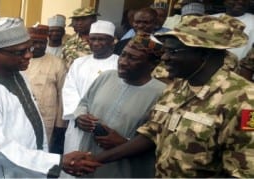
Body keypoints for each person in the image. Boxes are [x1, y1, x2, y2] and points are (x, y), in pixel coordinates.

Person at [94, 15, 254, 177]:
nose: (164, 58)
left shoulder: (244, 100)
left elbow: (244, 172)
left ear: (204, 54)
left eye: (173, 51)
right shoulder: (177, 87)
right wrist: (95, 160)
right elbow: (152, 132)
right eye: (165, 51)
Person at [0, 15, 101, 178]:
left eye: (29, 48)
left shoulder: (17, 73)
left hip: (22, 168)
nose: (28, 55)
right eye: (20, 52)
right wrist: (56, 162)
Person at [74, 32, 166, 178]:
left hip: (125, 169)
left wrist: (124, 142)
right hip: (88, 160)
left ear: (152, 64)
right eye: (123, 55)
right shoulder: (106, 76)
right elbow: (84, 102)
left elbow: (157, 139)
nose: (123, 62)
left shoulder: (162, 93)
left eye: (133, 58)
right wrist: (80, 117)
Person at [61, 20, 118, 178]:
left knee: (99, 167)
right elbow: (69, 89)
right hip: (79, 124)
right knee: (73, 164)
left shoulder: (119, 63)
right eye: (93, 39)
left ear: (112, 41)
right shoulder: (79, 63)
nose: (96, 43)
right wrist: (79, 115)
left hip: (105, 124)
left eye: (102, 39)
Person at [24, 23, 67, 154]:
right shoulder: (20, 61)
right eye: (34, 42)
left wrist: (60, 125)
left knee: (43, 151)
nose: (38, 46)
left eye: (42, 43)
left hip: (47, 117)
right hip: (23, 116)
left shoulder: (57, 63)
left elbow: (62, 95)